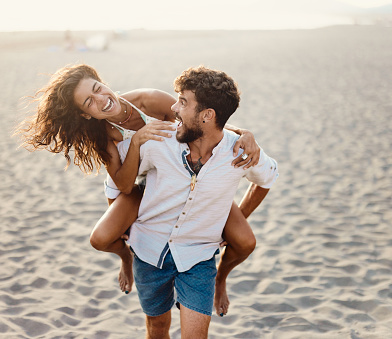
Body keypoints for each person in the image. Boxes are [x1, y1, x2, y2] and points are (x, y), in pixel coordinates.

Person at [16, 64, 260, 316]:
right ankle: (127, 258)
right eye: (89, 102)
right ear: (85, 114)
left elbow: (200, 122)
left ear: (103, 82)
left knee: (244, 242)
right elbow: (123, 184)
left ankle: (220, 279)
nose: (101, 99)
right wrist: (136, 142)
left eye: (98, 89)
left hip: (181, 177)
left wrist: (244, 133)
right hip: (137, 185)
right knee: (100, 239)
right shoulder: (100, 134)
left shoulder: (148, 100)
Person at [113, 65, 278, 338]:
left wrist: (235, 218)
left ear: (207, 115)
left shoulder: (239, 151)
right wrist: (119, 218)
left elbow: (267, 178)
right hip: (148, 252)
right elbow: (117, 178)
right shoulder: (159, 140)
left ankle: (219, 281)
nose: (174, 108)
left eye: (183, 102)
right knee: (157, 328)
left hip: (199, 258)